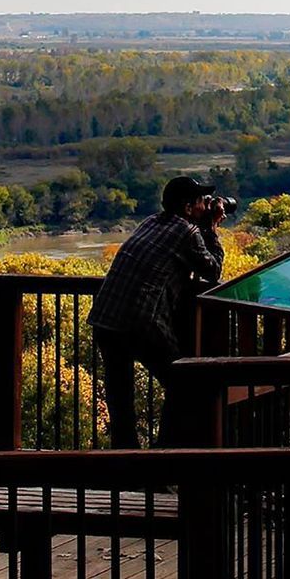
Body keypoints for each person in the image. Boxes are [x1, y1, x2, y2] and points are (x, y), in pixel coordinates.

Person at [87, 176, 225, 448]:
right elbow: (212, 270)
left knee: (120, 399)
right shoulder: (187, 233)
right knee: (182, 384)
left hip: (106, 318)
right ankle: (162, 462)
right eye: (201, 202)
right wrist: (211, 228)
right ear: (188, 207)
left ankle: (128, 469)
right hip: (140, 321)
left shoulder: (150, 222)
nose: (204, 206)